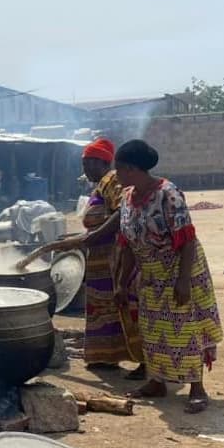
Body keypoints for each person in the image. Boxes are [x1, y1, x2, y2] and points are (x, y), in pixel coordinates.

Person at [113, 140, 223, 414]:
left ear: (132, 169)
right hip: (150, 273)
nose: (116, 175)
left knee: (185, 328)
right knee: (152, 329)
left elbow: (186, 240)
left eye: (119, 169)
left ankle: (197, 389)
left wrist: (183, 281)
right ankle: (157, 381)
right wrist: (122, 283)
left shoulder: (168, 194)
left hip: (179, 269)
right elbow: (127, 245)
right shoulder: (126, 196)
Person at [33, 139, 144, 376]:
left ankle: (145, 361)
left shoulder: (113, 180)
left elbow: (123, 211)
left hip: (115, 257)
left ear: (98, 162)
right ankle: (106, 356)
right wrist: (82, 237)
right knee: (105, 310)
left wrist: (89, 238)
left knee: (126, 305)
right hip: (99, 261)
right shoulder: (101, 185)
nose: (83, 170)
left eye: (85, 164)